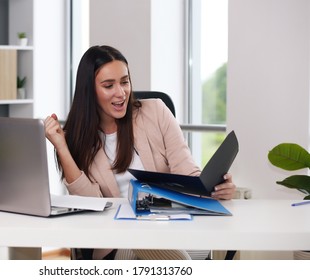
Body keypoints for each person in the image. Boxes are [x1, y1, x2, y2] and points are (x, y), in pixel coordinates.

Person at [44, 45, 236, 260]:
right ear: (89, 91)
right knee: (156, 251)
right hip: (119, 240)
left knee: (191, 251)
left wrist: (214, 188)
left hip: (172, 227)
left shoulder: (156, 111)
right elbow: (90, 206)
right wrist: (62, 147)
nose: (121, 92)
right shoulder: (76, 138)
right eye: (109, 85)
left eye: (125, 82)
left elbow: (187, 173)